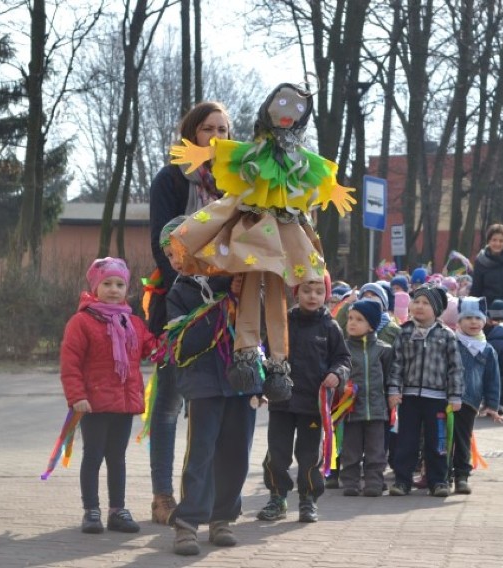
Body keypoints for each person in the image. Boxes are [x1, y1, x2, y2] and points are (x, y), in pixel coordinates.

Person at [167, 82, 355, 404]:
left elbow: (319, 172)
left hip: (285, 233)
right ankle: (247, 355)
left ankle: (279, 364)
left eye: (296, 110)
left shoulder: (300, 157)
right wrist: (202, 152)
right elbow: (231, 152)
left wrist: (333, 188)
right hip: (255, 228)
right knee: (253, 288)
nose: (287, 115)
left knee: (279, 295)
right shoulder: (257, 150)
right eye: (281, 106)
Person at [147, 101, 231, 524]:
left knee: (212, 405)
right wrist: (189, 286)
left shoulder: (237, 184)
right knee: (168, 404)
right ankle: (163, 496)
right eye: (208, 128)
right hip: (179, 304)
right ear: (192, 134)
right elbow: (162, 245)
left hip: (225, 307)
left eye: (223, 128)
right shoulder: (171, 179)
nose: (216, 136)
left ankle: (204, 498)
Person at [162, 238, 259, 555]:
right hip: (202, 381)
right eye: (171, 255)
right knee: (201, 452)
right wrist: (218, 305)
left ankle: (223, 518)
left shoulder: (239, 282)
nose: (177, 260)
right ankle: (188, 524)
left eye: (182, 252)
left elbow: (261, 328)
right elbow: (183, 342)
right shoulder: (179, 293)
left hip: (242, 381)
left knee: (236, 453)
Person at [60, 257, 159, 534]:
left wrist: (171, 340)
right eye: (107, 284)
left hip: (124, 404)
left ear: (127, 289)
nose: (114, 289)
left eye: (120, 284)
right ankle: (91, 510)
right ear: (95, 286)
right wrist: (76, 395)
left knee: (117, 457)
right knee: (93, 455)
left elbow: (150, 348)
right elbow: (70, 363)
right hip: (93, 403)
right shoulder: (82, 322)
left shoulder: (134, 323)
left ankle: (118, 510)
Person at [256, 277, 351, 523]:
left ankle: (308, 500)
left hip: (312, 404)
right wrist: (261, 386)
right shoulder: (283, 322)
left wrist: (336, 374)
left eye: (319, 292)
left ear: (326, 296)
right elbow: (265, 354)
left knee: (309, 455)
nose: (312, 296)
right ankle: (277, 498)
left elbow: (343, 359)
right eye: (307, 290)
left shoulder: (330, 327)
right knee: (277, 453)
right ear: (296, 293)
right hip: (282, 402)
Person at [386, 285, 464, 497]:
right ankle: (402, 481)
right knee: (406, 441)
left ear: (437, 309)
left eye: (426, 303)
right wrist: (393, 391)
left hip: (437, 399)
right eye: (417, 301)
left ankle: (438, 481)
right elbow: (396, 365)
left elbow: (455, 368)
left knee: (437, 442)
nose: (419, 306)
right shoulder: (404, 332)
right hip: (409, 398)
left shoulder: (447, 335)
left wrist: (455, 396)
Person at [339, 300, 393, 497]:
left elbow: (391, 376)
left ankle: (374, 482)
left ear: (371, 325)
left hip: (377, 409)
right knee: (350, 449)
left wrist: (392, 398)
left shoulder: (383, 349)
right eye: (350, 318)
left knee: (376, 450)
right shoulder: (343, 349)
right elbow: (338, 372)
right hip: (351, 409)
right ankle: (351, 482)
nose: (352, 323)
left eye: (359, 319)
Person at [452, 297, 503, 494]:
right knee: (443, 438)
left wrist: (492, 404)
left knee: (463, 439)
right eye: (468, 318)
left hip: (470, 402)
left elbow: (493, 379)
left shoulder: (487, 349)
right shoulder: (451, 342)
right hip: (447, 399)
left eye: (477, 318)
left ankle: (462, 476)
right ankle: (440, 475)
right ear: (458, 321)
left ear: (484, 321)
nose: (473, 322)